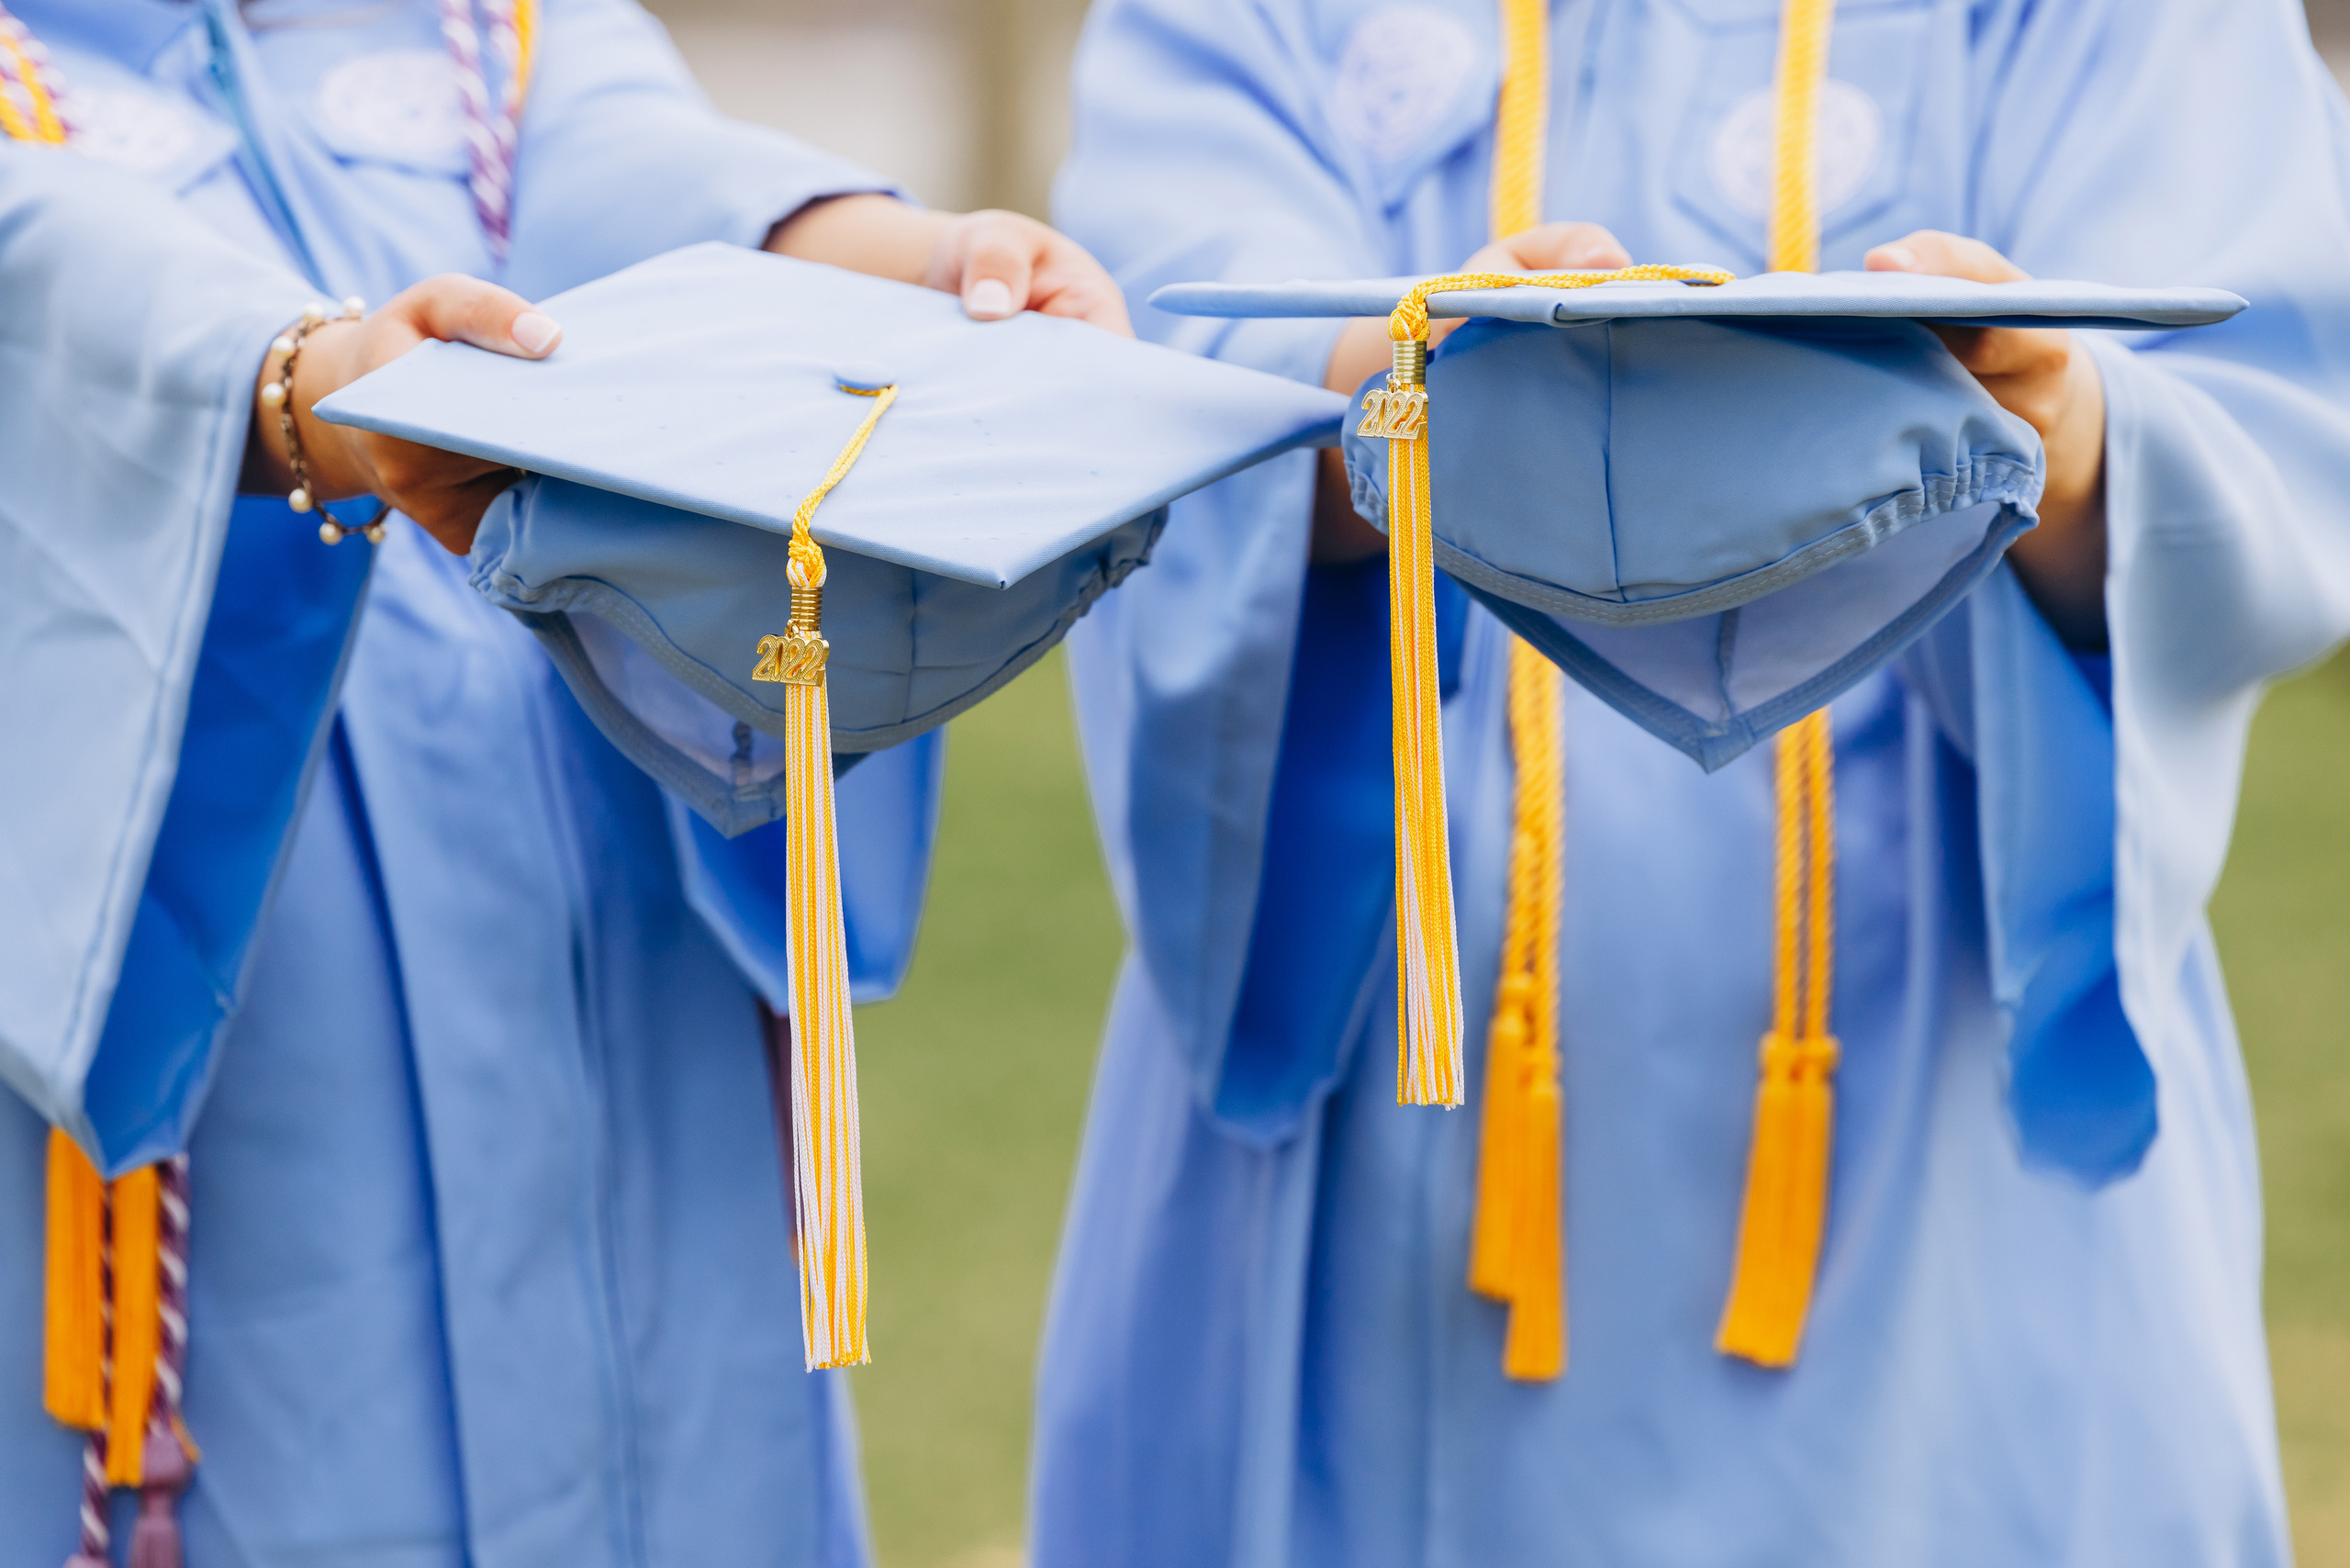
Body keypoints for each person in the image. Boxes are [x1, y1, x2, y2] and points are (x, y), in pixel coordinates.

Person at [1036, 0, 2350, 1563]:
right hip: (1394, 1107)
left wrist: (2055, 428)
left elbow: (2262, 420)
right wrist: (1385, 396)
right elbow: (1155, 360)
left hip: (1944, 1184)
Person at [0, 2, 1127, 1564]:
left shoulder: (475, 26)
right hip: (260, 1066)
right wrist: (311, 387)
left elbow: (641, 180)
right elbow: (52, 280)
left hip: (621, 1012)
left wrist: (928, 277)